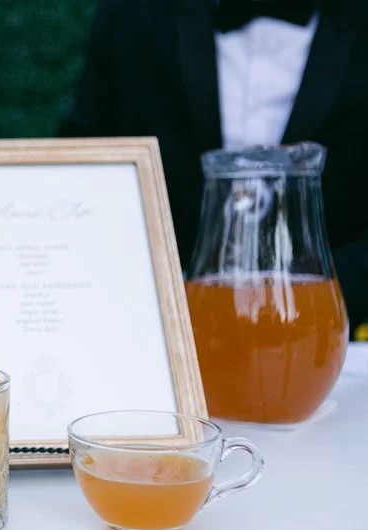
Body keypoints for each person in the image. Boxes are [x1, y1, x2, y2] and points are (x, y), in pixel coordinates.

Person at [59, 0, 368, 333]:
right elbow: (79, 174)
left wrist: (316, 299)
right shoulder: (132, 15)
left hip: (333, 335)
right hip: (153, 330)